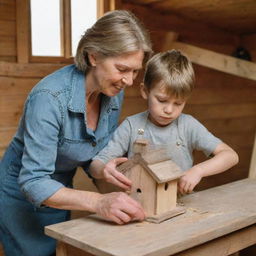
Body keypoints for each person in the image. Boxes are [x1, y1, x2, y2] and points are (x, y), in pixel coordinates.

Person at [0, 10, 153, 256]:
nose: (129, 80)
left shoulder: (113, 92)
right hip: (21, 196)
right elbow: (33, 181)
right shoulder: (48, 98)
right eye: (122, 68)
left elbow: (95, 155)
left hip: (60, 191)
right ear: (93, 56)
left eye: (135, 71)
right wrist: (99, 202)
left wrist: (105, 170)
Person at [89, 49, 239, 197]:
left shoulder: (188, 125)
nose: (169, 110)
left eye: (178, 103)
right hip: (140, 202)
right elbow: (95, 165)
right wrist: (104, 170)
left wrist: (198, 171)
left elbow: (230, 156)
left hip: (181, 202)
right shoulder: (131, 126)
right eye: (161, 100)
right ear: (145, 91)